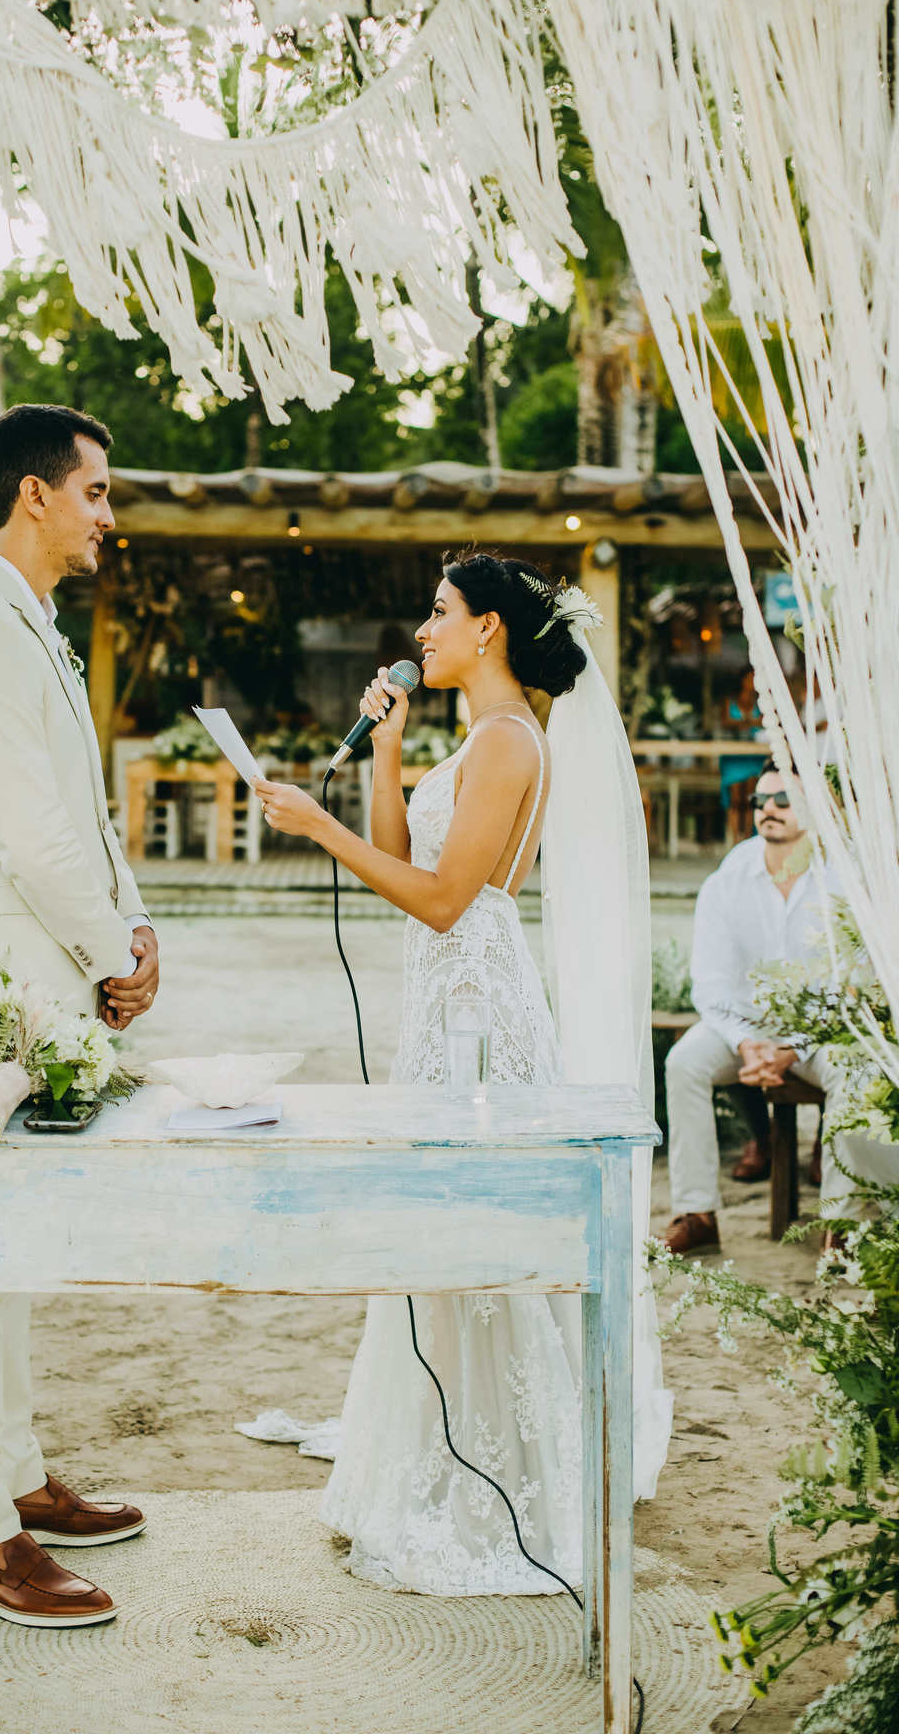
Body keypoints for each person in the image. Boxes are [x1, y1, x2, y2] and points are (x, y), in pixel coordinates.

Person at [254, 553, 672, 1596]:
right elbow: (419, 870)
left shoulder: (508, 741)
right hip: (447, 1013)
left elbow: (446, 901)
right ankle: (444, 1463)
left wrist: (318, 828)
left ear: (488, 629)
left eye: (437, 612)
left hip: (481, 1024)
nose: (422, 630)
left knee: (475, 1259)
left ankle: (500, 1490)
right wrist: (385, 755)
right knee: (438, 1261)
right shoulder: (479, 738)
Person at [0, 403, 158, 1630]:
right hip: (4, 982)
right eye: (98, 492)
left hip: (52, 971)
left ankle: (11, 1478)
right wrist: (109, 950)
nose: (110, 515)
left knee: (11, 1255)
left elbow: (87, 815)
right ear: (35, 496)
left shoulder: (33, 626)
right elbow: (27, 832)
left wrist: (138, 925)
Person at [661, 767, 841, 1255]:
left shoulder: (840, 877)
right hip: (744, 1026)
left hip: (820, 1031)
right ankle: (698, 1215)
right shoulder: (729, 878)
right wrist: (747, 1043)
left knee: (854, 1070)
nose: (768, 808)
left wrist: (793, 1047)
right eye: (760, 801)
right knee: (684, 1063)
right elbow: (711, 984)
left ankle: (842, 1224)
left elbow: (846, 987)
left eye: (783, 799)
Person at [719, 668, 765, 842]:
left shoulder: (760, 702)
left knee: (750, 797)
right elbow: (724, 722)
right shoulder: (729, 701)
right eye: (749, 678)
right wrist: (749, 722)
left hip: (753, 754)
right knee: (736, 797)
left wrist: (745, 723)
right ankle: (735, 839)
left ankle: (747, 838)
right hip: (734, 754)